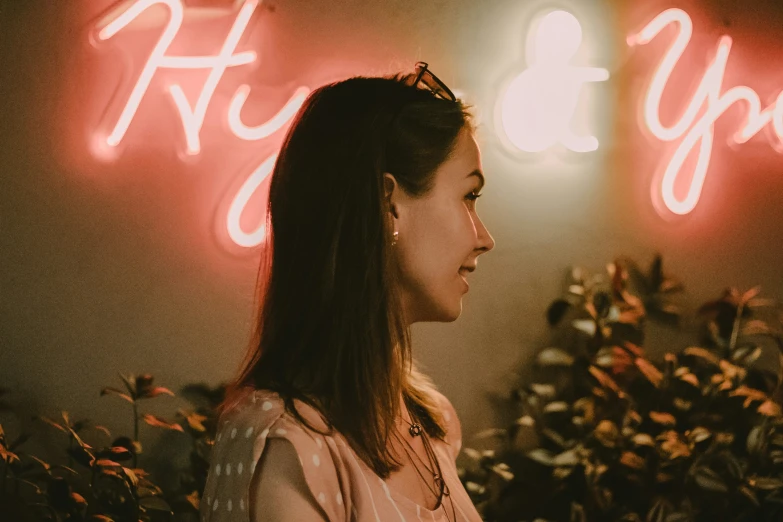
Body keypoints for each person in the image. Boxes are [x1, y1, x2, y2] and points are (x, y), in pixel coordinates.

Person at [201, 62, 495, 522]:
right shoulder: (285, 445)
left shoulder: (431, 424)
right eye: (469, 197)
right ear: (388, 205)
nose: (484, 237)